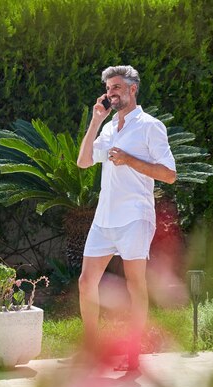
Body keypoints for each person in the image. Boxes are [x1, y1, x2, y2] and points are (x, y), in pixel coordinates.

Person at [75, 65, 176, 371]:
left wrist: (130, 160)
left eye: (117, 87)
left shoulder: (150, 126)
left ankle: (133, 355)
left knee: (135, 285)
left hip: (135, 216)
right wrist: (95, 121)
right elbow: (83, 162)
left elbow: (169, 174)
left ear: (133, 89)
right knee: (85, 281)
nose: (111, 92)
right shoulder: (108, 128)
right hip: (105, 217)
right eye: (108, 88)